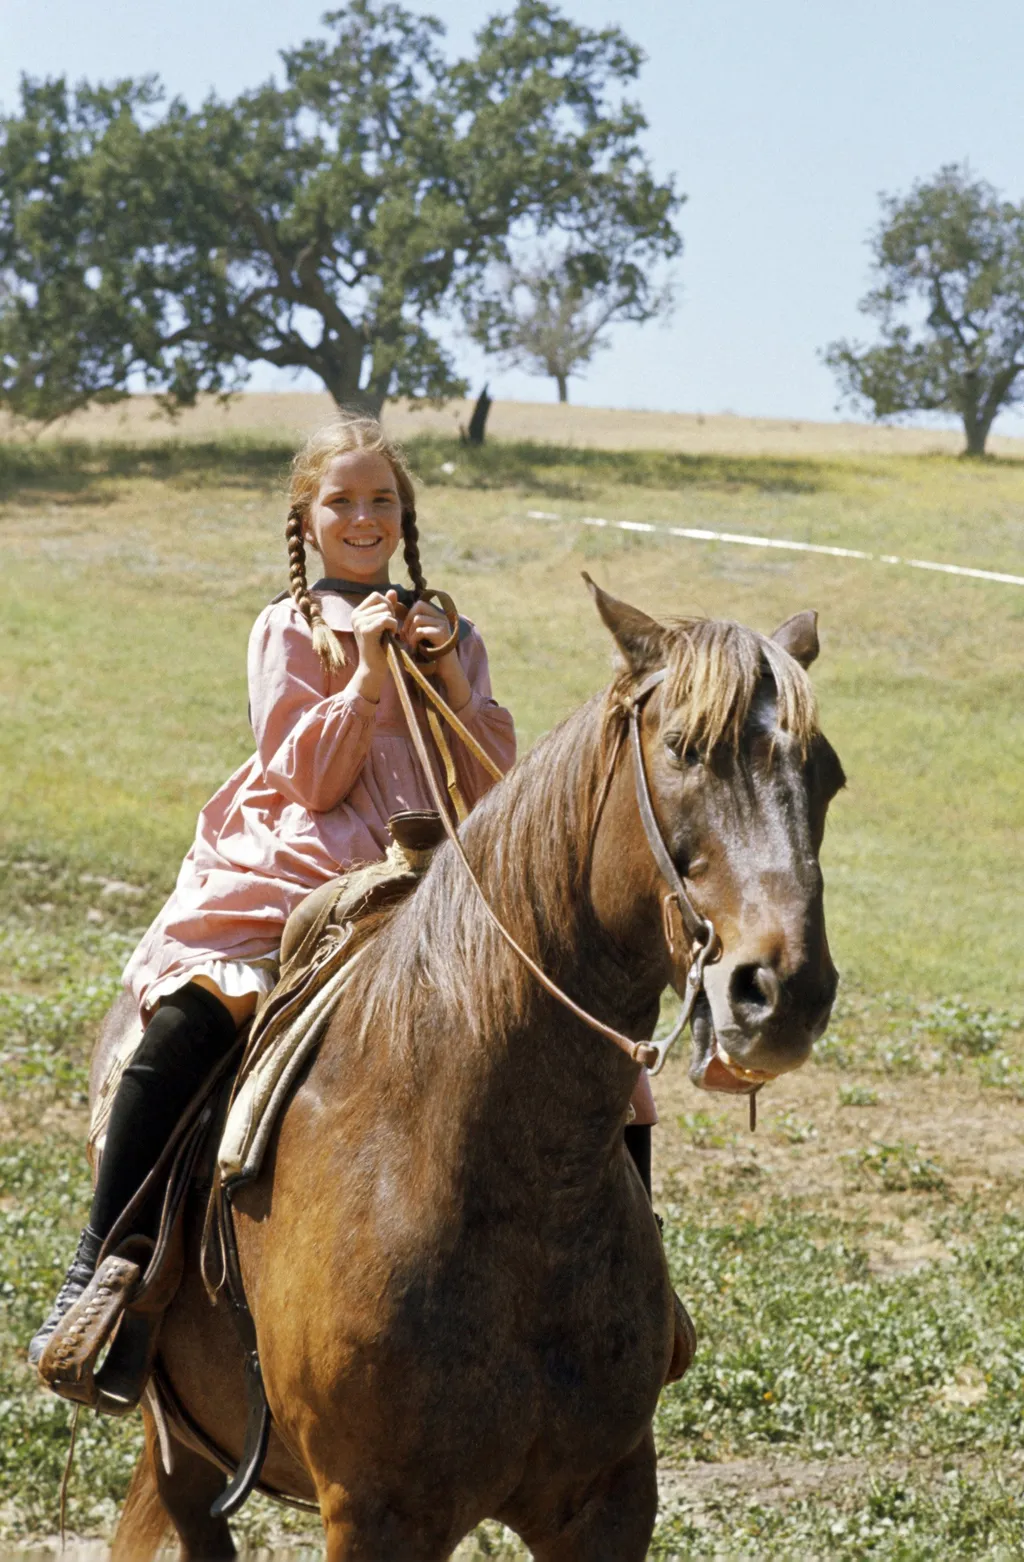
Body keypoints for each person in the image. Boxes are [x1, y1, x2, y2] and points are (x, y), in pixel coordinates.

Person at [29, 417, 517, 1365]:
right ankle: (104, 1270)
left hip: (435, 865)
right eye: (343, 501)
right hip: (304, 861)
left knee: (592, 1048)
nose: (365, 517)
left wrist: (451, 675)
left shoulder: (452, 631)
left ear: (405, 516)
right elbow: (311, 779)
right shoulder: (288, 627)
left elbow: (494, 787)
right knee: (202, 1009)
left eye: (383, 501)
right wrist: (372, 672)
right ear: (307, 518)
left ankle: (627, 1289)